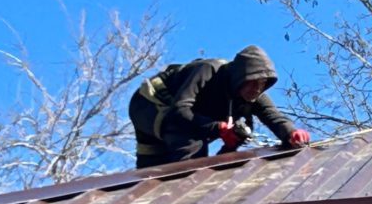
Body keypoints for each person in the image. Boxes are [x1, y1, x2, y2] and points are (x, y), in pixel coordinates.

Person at [129, 44, 310, 168]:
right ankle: (188, 188)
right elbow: (180, 111)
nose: (257, 89)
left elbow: (272, 114)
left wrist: (291, 133)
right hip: (150, 104)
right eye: (253, 82)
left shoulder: (254, 95)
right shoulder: (207, 71)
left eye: (263, 84)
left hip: (174, 121)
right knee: (191, 141)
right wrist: (218, 128)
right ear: (241, 77)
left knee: (150, 172)